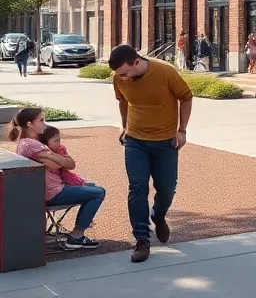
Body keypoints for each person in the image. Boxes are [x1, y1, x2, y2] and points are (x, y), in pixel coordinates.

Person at [109, 44, 193, 262]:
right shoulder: (119, 78)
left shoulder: (165, 72)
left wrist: (182, 130)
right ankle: (142, 240)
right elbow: (123, 101)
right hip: (135, 140)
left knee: (167, 188)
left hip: (166, 142)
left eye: (126, 73)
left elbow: (186, 96)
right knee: (137, 187)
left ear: (137, 62)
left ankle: (159, 215)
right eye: (120, 75)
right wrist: (124, 125)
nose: (123, 78)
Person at [9, 108, 104, 251]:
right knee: (98, 193)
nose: (45, 124)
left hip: (48, 189)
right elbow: (61, 164)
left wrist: (57, 159)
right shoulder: (30, 145)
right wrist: (58, 158)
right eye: (41, 120)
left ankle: (80, 230)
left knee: (93, 187)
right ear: (29, 124)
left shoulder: (33, 141)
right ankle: (76, 236)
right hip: (51, 193)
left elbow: (67, 164)